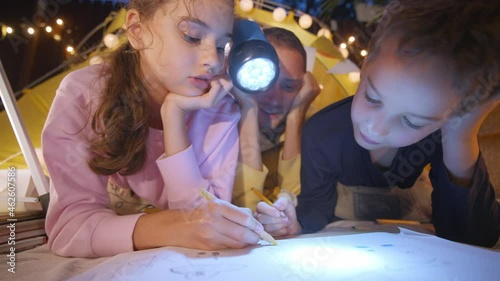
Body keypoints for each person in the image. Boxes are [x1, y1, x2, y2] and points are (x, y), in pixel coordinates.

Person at [255, 0, 500, 247]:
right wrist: (294, 223)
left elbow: (475, 237)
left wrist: (462, 133)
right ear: (367, 60)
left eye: (411, 122)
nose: (375, 128)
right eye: (372, 98)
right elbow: (316, 209)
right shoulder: (322, 134)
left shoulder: (440, 133)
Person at [42, 0, 266, 258]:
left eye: (221, 46)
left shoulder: (220, 111)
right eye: (192, 37)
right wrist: (174, 228)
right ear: (137, 30)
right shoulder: (83, 96)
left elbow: (204, 220)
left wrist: (173, 116)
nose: (213, 61)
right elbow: (69, 228)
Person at [231, 27, 320, 210]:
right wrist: (249, 109)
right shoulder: (219, 127)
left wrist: (296, 114)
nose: (275, 99)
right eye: (265, 80)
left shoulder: (314, 130)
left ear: (303, 87)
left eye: (289, 87)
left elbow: (294, 206)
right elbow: (246, 207)